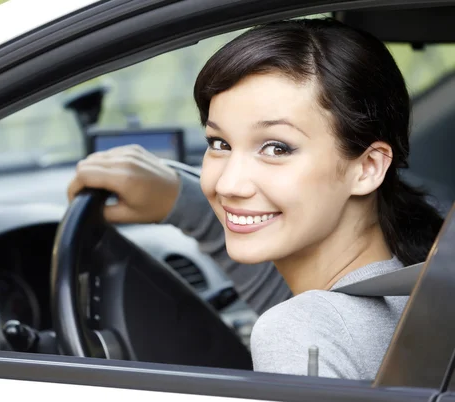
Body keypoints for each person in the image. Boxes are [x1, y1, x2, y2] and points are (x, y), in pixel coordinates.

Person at [68, 18, 444, 380]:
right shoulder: (420, 283)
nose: (228, 183)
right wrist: (177, 199)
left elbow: (308, 321)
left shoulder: (302, 333)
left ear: (367, 168)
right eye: (219, 143)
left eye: (277, 148)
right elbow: (286, 292)